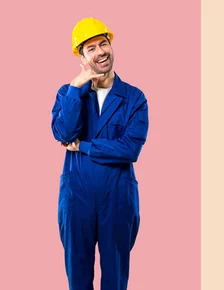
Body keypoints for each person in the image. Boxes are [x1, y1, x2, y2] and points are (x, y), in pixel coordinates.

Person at [51, 17, 149, 290]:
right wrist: (76, 89)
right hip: (76, 198)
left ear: (111, 45)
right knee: (78, 275)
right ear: (81, 57)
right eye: (91, 48)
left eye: (103, 44)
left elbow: (130, 148)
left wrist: (84, 146)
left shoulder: (134, 97)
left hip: (117, 198)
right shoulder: (67, 93)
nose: (100, 52)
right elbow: (63, 133)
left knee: (115, 277)